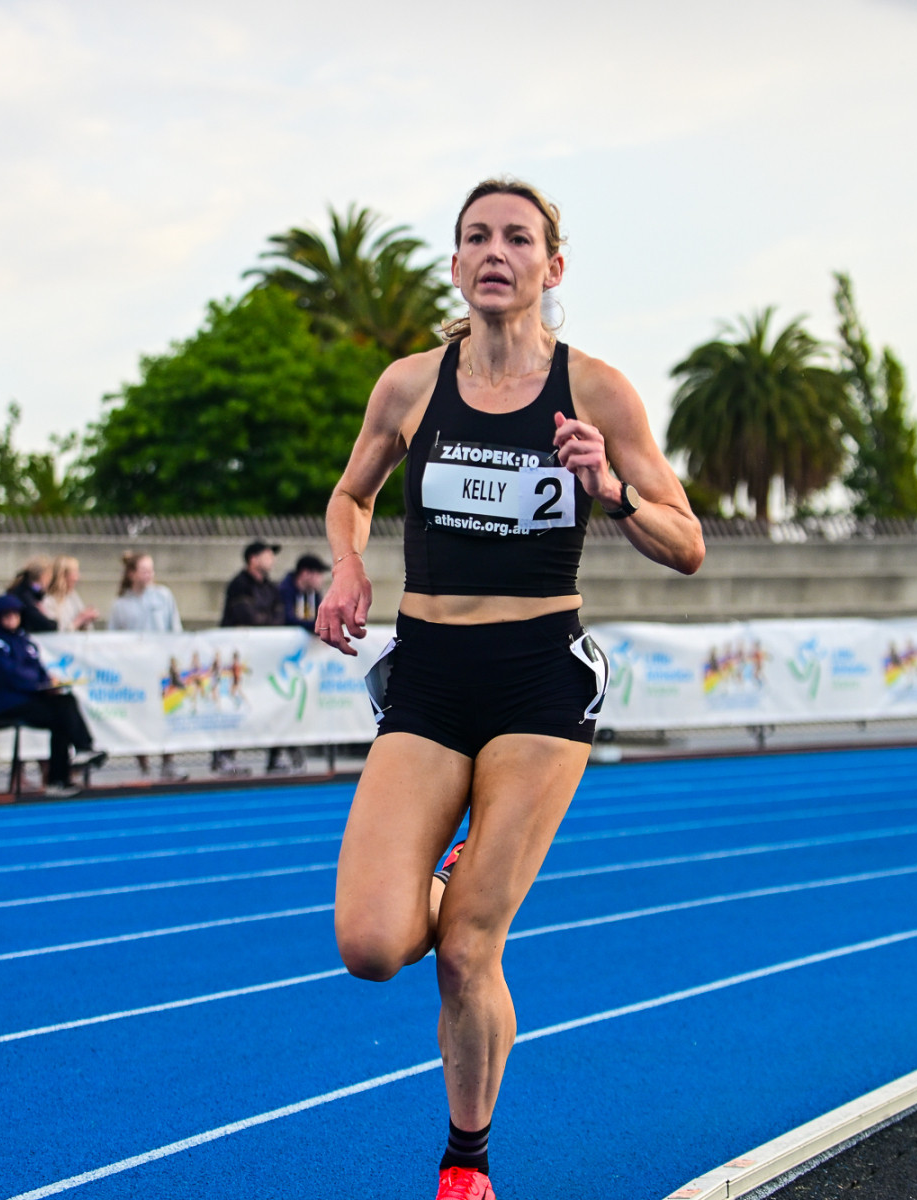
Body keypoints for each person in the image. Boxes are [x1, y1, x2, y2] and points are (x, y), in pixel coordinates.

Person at [315, 178, 704, 1200]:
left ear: (551, 266)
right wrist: (348, 566)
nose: (497, 251)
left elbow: (688, 543)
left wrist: (611, 491)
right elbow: (351, 495)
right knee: (371, 945)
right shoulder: (409, 386)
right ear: (455, 265)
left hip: (539, 683)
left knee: (467, 952)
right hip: (429, 677)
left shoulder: (597, 392)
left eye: (518, 238)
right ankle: (454, 871)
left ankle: (467, 1161)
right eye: (477, 237)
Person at [0, 594, 106, 795]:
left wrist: (50, 682)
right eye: (6, 615)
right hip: (7, 703)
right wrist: (39, 685)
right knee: (62, 712)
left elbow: (38, 669)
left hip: (29, 698)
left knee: (65, 705)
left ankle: (61, 777)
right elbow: (11, 675)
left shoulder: (24, 641)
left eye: (15, 614)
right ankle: (79, 752)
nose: (12, 619)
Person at [107, 551, 184, 778]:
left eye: (151, 570)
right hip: (137, 671)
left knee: (168, 713)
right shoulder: (121, 605)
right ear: (132, 574)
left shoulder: (163, 596)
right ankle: (143, 764)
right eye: (143, 570)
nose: (149, 575)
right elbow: (114, 638)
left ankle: (168, 760)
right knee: (140, 716)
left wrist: (175, 657)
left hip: (162, 668)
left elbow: (175, 628)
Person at [220, 540, 282, 627]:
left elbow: (280, 615)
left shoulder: (270, 587)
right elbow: (248, 617)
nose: (272, 560)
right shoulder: (239, 585)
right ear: (253, 559)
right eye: (267, 556)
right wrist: (269, 619)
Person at [41, 555, 101, 630]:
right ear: (63, 576)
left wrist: (87, 618)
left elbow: (82, 628)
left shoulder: (72, 596)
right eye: (75, 573)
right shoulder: (49, 601)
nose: (77, 578)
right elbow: (56, 631)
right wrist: (79, 620)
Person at [4, 556, 59, 633]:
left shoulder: (27, 592)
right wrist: (53, 623)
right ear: (43, 576)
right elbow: (43, 624)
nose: (50, 581)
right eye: (50, 577)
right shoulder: (25, 595)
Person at [280, 553, 329, 633]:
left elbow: (320, 617)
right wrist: (318, 625)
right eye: (318, 574)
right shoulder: (283, 592)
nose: (321, 579)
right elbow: (288, 619)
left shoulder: (314, 593)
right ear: (305, 573)